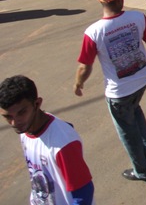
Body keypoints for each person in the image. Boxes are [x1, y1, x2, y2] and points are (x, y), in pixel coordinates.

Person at [73, 0, 146, 182]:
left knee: (127, 131)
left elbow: (85, 67)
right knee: (135, 113)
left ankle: (143, 170)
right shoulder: (138, 18)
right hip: (140, 83)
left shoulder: (93, 32)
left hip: (118, 92)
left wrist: (78, 84)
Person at [0, 75, 95, 204]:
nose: (14, 122)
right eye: (8, 117)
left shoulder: (63, 144)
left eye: (21, 113)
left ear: (37, 104)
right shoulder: (25, 129)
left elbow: (83, 192)